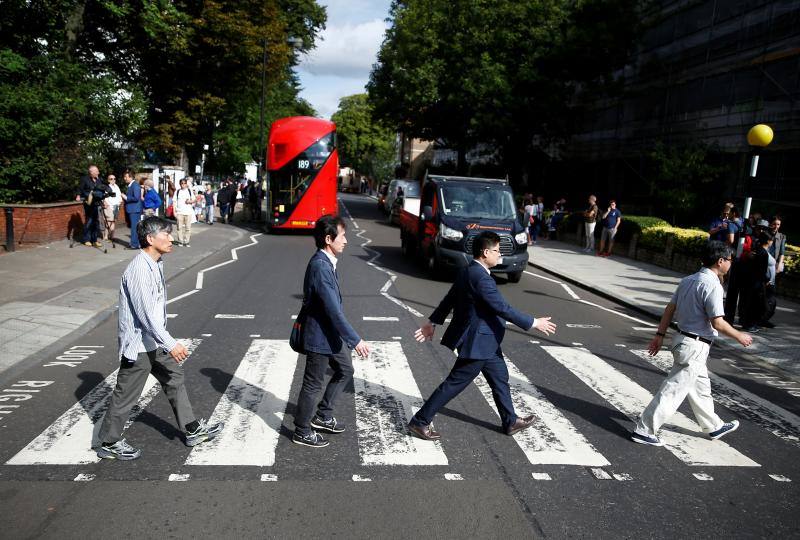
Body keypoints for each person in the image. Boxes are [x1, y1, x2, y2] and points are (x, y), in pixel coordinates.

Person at [408, 231, 558, 441]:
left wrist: (433, 322)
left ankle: (510, 421)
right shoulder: (480, 278)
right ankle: (420, 422)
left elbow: (449, 299)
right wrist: (534, 323)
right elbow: (502, 307)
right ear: (485, 252)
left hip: (486, 341)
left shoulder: (468, 271)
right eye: (497, 251)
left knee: (500, 378)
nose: (500, 255)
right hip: (477, 342)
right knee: (454, 384)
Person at [96, 217, 223, 460]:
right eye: (166, 234)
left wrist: (163, 342)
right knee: (126, 396)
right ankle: (109, 442)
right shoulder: (139, 270)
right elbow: (145, 315)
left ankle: (192, 429)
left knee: (174, 377)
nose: (172, 238)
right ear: (150, 239)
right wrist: (170, 343)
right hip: (140, 345)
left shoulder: (156, 263)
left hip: (153, 341)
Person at [631, 241, 753, 447]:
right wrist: (738, 335)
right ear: (720, 261)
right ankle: (644, 430)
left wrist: (659, 335)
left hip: (683, 340)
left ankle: (713, 426)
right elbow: (717, 322)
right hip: (695, 345)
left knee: (701, 387)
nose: (731, 264)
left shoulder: (688, 280)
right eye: (730, 260)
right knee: (673, 390)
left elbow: (670, 309)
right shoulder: (712, 284)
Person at [293, 215, 371, 448]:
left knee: (345, 370)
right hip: (319, 335)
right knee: (312, 383)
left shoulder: (326, 262)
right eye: (342, 235)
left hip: (330, 334)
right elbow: (333, 310)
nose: (346, 240)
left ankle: (323, 415)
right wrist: (355, 340)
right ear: (329, 239)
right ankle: (302, 430)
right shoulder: (320, 266)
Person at [738, 230, 773, 332]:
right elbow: (761, 270)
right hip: (757, 283)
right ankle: (750, 325)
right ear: (768, 241)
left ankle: (749, 323)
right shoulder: (763, 253)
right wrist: (766, 280)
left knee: (751, 303)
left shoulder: (757, 250)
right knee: (755, 304)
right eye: (771, 240)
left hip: (752, 282)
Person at [76, 165, 108, 248]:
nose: (98, 172)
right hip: (88, 202)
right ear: (91, 172)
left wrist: (104, 201)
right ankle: (86, 239)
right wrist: (78, 195)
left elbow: (102, 191)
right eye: (97, 171)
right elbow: (80, 188)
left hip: (96, 202)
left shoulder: (99, 180)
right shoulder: (85, 179)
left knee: (96, 221)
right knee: (89, 221)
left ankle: (94, 240)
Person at [124, 172, 143, 249]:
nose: (124, 178)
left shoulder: (135, 185)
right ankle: (135, 243)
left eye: (125, 177)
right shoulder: (132, 185)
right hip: (133, 209)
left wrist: (126, 197)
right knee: (134, 227)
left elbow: (136, 198)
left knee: (134, 227)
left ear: (130, 177)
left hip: (134, 209)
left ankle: (134, 244)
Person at [173, 178, 194, 247]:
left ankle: (187, 241)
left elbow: (194, 200)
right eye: (182, 183)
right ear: (180, 184)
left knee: (188, 228)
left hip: (188, 212)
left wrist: (189, 201)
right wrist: (174, 212)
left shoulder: (189, 191)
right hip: (179, 212)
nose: (183, 185)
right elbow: (174, 202)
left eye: (184, 183)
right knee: (179, 228)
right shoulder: (177, 191)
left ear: (186, 184)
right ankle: (180, 241)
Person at [101, 173, 122, 244]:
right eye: (111, 179)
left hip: (116, 206)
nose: (113, 180)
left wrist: (120, 201)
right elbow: (103, 196)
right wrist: (105, 203)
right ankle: (108, 236)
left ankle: (109, 236)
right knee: (109, 221)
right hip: (109, 206)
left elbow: (119, 195)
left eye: (114, 179)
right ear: (108, 180)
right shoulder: (106, 187)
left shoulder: (116, 186)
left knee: (113, 221)